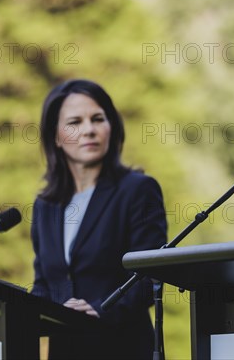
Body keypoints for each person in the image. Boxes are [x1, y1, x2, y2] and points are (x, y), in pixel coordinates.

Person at [30, 79, 167, 359]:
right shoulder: (46, 206)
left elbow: (149, 277)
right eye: (75, 122)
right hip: (66, 350)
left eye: (98, 119)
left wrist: (101, 308)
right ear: (55, 136)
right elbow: (44, 284)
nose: (88, 130)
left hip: (123, 347)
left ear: (111, 127)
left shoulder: (138, 190)